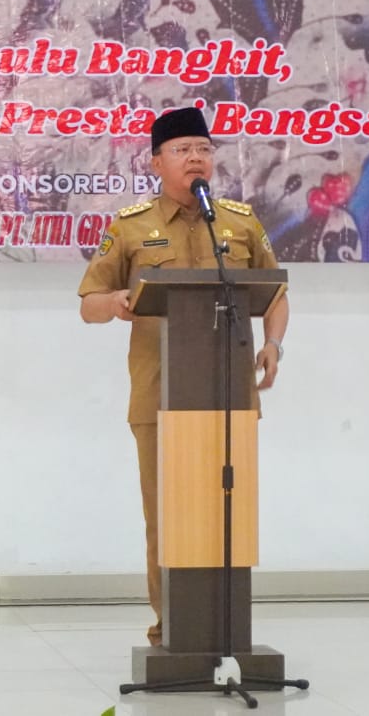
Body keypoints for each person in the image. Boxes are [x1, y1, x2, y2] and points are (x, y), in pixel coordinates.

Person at [77, 106, 288, 647]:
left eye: (204, 149)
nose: (196, 158)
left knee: (228, 510)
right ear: (156, 162)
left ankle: (227, 626)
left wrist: (273, 344)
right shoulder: (130, 226)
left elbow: (275, 293)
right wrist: (117, 301)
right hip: (159, 395)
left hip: (228, 392)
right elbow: (89, 304)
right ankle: (171, 626)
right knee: (167, 514)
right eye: (182, 150)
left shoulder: (238, 222)